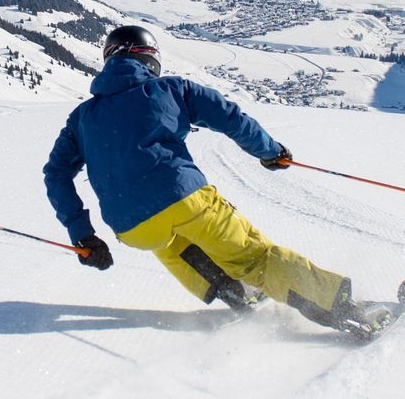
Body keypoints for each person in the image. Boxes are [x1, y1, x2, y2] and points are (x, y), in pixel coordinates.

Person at [43, 25, 386, 334]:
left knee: (172, 243)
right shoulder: (171, 89)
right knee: (254, 258)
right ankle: (346, 310)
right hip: (184, 196)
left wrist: (83, 236)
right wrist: (269, 150)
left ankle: (238, 294)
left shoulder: (81, 118)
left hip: (132, 228)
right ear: (149, 58)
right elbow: (228, 117)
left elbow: (56, 174)